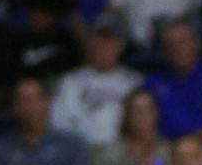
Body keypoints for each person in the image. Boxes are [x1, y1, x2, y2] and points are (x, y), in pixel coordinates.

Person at [53, 12, 143, 149]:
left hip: (120, 153)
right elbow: (59, 124)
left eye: (111, 40)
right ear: (90, 42)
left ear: (121, 45)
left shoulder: (135, 83)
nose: (105, 46)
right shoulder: (70, 81)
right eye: (100, 39)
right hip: (80, 153)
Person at [146, 19, 202, 141]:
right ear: (164, 50)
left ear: (196, 43)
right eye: (171, 44)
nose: (178, 48)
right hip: (166, 151)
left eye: (183, 41)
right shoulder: (152, 84)